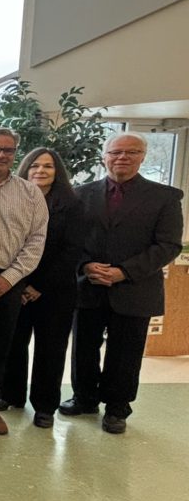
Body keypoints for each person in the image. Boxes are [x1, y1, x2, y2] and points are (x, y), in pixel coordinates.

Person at [64, 133, 183, 434]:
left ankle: (117, 408)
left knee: (125, 353)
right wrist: (85, 265)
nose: (122, 157)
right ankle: (84, 397)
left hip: (135, 288)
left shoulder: (165, 197)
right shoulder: (80, 194)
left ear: (143, 156)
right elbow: (70, 240)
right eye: (115, 152)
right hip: (89, 286)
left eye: (131, 152)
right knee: (83, 348)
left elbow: (168, 245)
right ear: (104, 156)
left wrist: (124, 272)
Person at [0, 128, 48, 435]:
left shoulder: (31, 193)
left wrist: (9, 278)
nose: (0, 155)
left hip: (10, 280)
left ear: (15, 155)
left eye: (7, 150)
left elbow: (36, 240)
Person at [1, 148, 84, 428]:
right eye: (34, 165)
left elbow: (72, 250)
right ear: (25, 169)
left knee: (50, 349)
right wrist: (21, 282)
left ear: (57, 172)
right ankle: (11, 394)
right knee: (13, 344)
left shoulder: (72, 204)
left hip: (55, 291)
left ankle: (45, 406)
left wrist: (38, 285)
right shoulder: (16, 200)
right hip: (16, 284)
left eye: (48, 166)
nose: (40, 170)